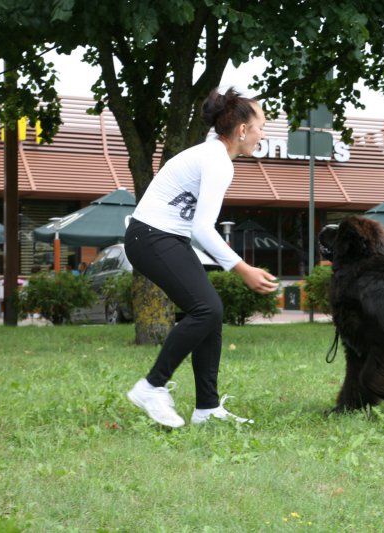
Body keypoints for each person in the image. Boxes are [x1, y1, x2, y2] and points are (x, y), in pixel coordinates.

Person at [124, 87, 278, 429]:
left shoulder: (212, 156)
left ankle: (207, 408)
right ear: (242, 131)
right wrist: (243, 268)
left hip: (161, 237)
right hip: (151, 237)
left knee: (210, 311)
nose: (262, 134)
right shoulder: (217, 162)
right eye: (261, 127)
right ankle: (151, 387)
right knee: (206, 309)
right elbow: (203, 229)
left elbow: (193, 228)